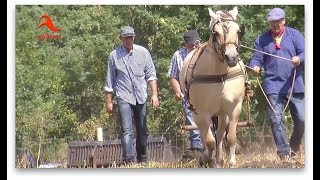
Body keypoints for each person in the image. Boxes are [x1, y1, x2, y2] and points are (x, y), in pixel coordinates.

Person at [249, 8, 305, 161]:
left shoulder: (295, 35)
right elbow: (256, 58)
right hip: (272, 85)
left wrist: (299, 59)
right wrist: (255, 67)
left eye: (278, 21)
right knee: (276, 120)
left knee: (302, 120)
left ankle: (293, 147)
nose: (275, 25)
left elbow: (305, 52)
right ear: (269, 23)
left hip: (294, 85)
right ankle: (284, 153)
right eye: (272, 22)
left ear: (284, 21)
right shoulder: (262, 39)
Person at [104, 26, 159, 164]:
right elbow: (109, 80)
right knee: (127, 130)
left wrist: (154, 95)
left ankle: (143, 158)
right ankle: (128, 160)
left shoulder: (143, 52)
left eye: (131, 37)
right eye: (126, 37)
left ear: (134, 37)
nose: (129, 40)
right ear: (121, 39)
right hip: (124, 96)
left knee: (143, 130)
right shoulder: (114, 56)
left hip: (141, 95)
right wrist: (109, 102)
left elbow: (151, 75)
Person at [168, 30, 203, 154]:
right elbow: (173, 76)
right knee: (192, 118)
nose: (195, 46)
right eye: (192, 44)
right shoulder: (178, 55)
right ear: (186, 43)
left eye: (196, 43)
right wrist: (178, 91)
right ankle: (197, 148)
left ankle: (213, 143)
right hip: (187, 94)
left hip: (205, 92)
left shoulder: (204, 52)